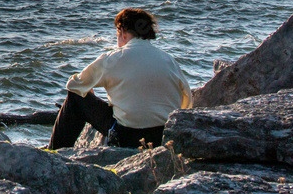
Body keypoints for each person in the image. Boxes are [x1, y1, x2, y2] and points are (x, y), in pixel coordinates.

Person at [47, 8, 192, 150]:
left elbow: (74, 85)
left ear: (122, 32)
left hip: (126, 137)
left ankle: (54, 152)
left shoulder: (113, 58)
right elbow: (187, 100)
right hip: (162, 137)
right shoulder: (169, 60)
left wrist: (88, 91)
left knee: (75, 98)